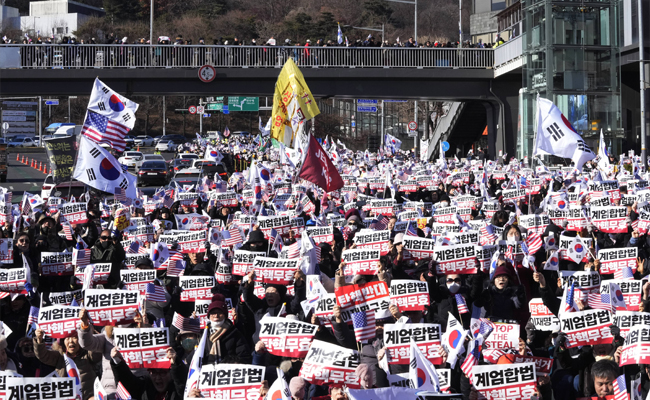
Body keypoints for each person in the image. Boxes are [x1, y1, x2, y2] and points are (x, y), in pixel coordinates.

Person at [34, 328, 101, 400]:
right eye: (67, 338)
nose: (71, 341)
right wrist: (39, 340)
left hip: (89, 396)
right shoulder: (59, 357)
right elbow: (43, 355)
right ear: (63, 342)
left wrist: (90, 333)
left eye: (74, 337)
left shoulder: (87, 354)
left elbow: (96, 350)